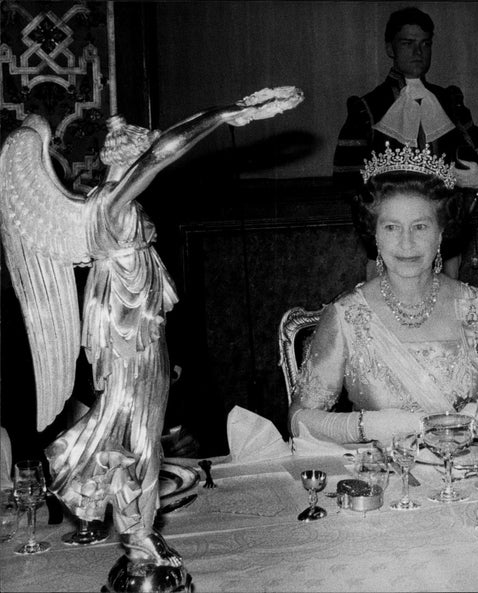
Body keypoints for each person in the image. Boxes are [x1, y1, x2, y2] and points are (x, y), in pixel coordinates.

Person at [0, 86, 303, 568]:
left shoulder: (117, 202)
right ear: (132, 158)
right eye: (145, 151)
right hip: (126, 338)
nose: (153, 156)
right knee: (136, 434)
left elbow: (162, 150)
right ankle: (137, 536)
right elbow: (166, 151)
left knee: (139, 432)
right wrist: (225, 112)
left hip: (140, 330)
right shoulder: (112, 203)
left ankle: (133, 525)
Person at [289, 143, 478, 445]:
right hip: (383, 478)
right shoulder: (347, 316)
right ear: (375, 234)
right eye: (392, 227)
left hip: (466, 477)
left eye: (420, 226)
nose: (406, 244)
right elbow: (299, 419)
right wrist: (369, 426)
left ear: (441, 232)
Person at [333, 6, 478, 278]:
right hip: (391, 246)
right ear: (390, 48)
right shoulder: (368, 108)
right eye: (408, 43)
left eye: (425, 44)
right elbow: (346, 180)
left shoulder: (449, 102)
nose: (418, 52)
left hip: (444, 244)